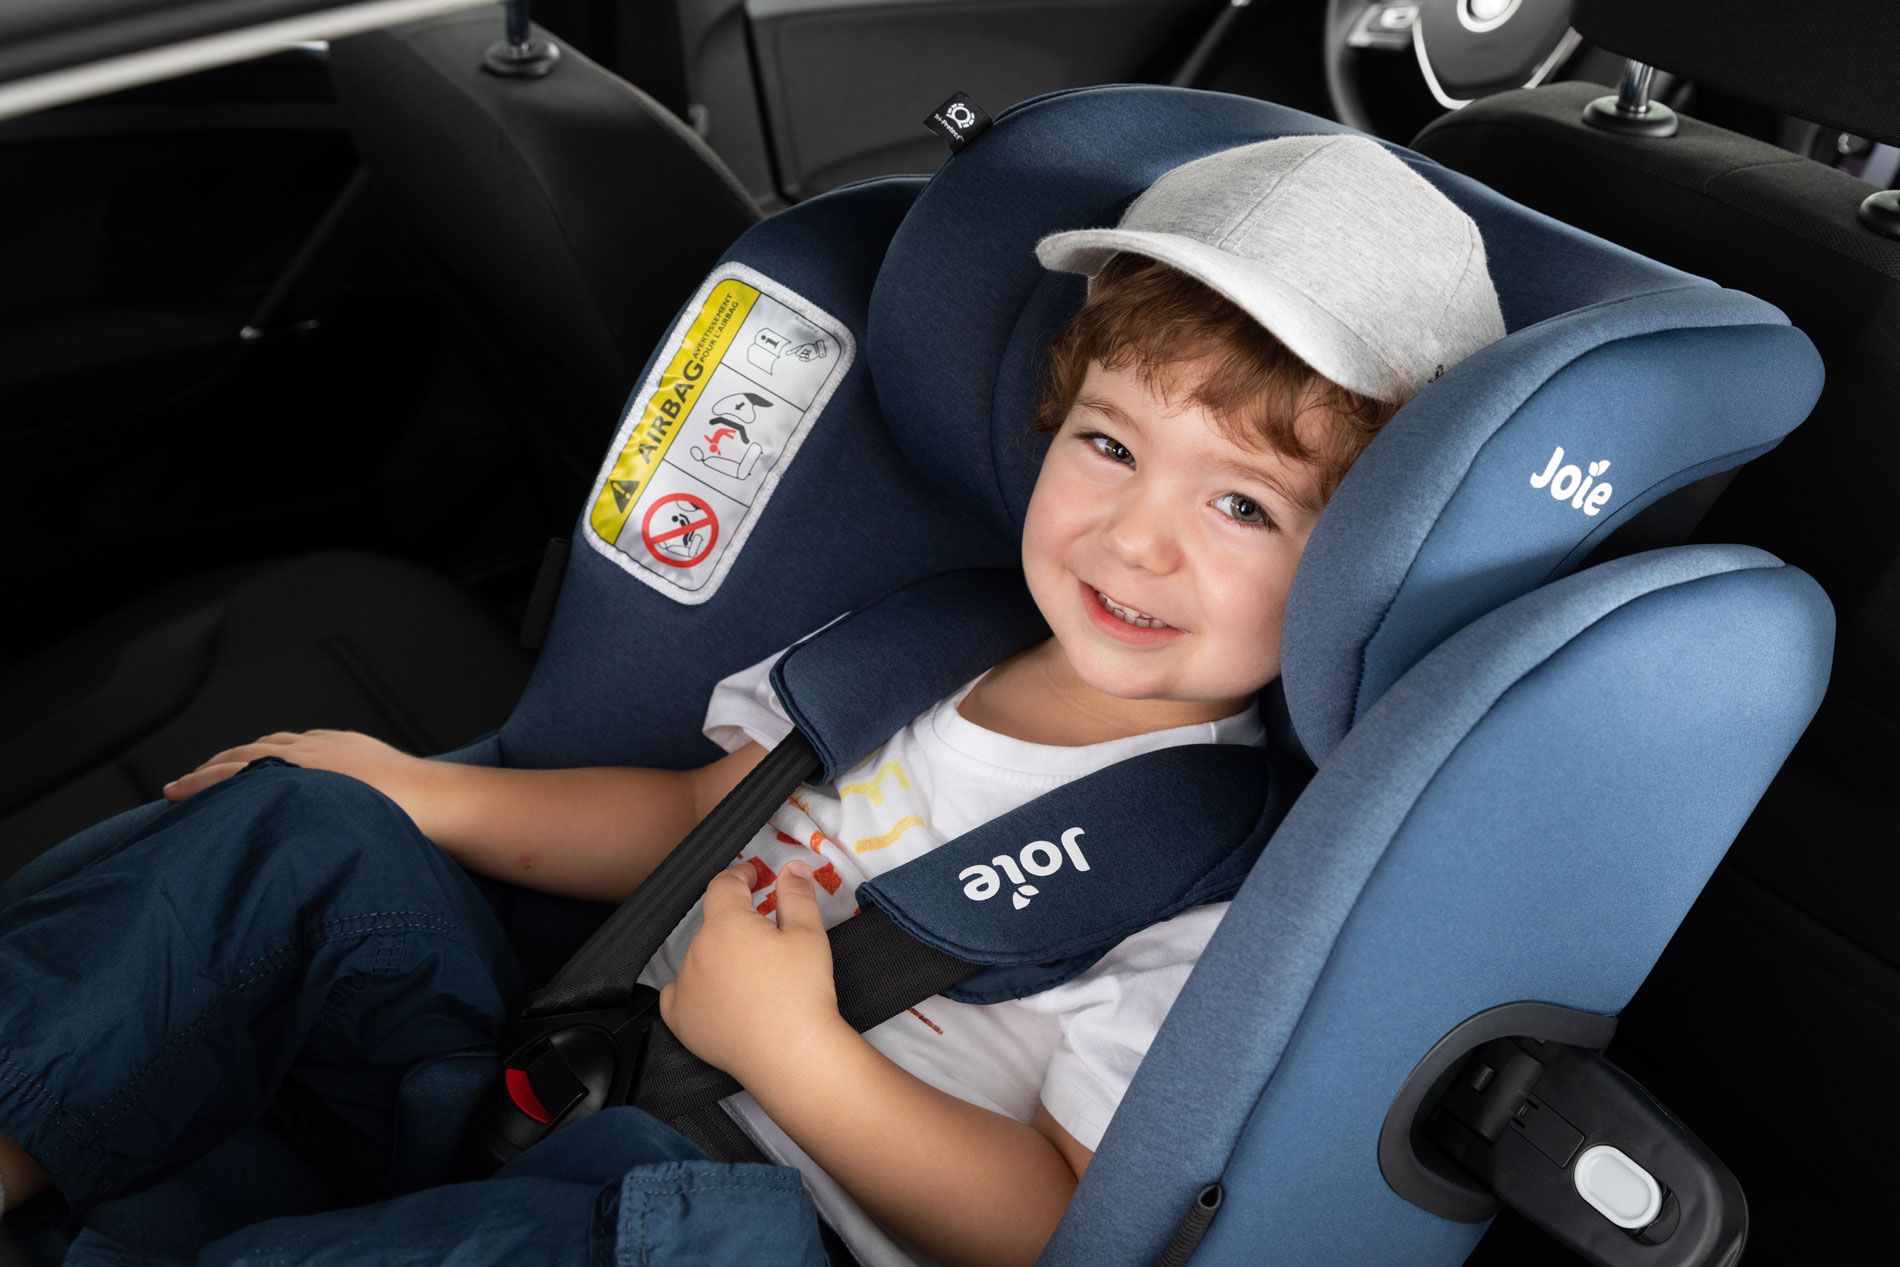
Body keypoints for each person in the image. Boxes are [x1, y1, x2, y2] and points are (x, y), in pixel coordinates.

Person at [0, 134, 1504, 1266]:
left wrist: (799, 1057)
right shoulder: (919, 652)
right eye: (1109, 446)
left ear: (1367, 561)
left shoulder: (1225, 885)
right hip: (555, 1080)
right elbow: (685, 818)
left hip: (741, 1229)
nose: (1134, 538)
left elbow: (1055, 1222)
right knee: (306, 830)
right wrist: (420, 789)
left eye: (1244, 505)